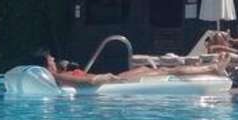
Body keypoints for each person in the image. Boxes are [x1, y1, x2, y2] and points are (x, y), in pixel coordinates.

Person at [31, 50, 225, 87]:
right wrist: (109, 78)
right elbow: (89, 81)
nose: (54, 60)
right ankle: (211, 68)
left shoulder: (59, 74)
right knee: (167, 71)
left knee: (151, 68)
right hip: (116, 81)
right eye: (50, 60)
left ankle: (206, 68)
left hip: (116, 78)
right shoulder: (59, 77)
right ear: (46, 65)